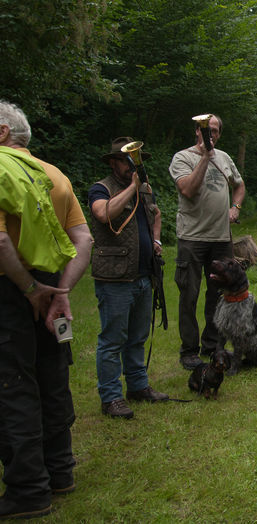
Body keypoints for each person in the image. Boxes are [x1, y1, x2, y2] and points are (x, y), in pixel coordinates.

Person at [0, 100, 92, 519]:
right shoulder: (53, 175)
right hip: (52, 283)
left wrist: (31, 288)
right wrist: (61, 290)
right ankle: (60, 472)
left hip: (11, 289)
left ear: (3, 132)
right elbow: (83, 239)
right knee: (52, 377)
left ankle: (28, 490)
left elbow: (1, 244)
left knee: (14, 383)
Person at [88, 137, 170, 419]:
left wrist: (156, 240)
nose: (133, 165)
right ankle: (110, 397)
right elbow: (103, 215)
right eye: (127, 160)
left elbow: (155, 215)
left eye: (136, 160)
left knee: (137, 337)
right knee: (112, 339)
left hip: (144, 275)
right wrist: (133, 188)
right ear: (113, 162)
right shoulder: (101, 189)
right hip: (115, 277)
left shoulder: (145, 191)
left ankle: (137, 386)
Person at [169, 113, 245, 370]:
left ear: (219, 134)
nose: (209, 134)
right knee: (188, 295)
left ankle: (212, 346)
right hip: (192, 237)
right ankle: (189, 350)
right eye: (204, 129)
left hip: (221, 237)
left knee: (219, 296)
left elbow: (240, 185)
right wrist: (205, 157)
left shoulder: (225, 158)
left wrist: (235, 206)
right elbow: (188, 190)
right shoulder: (182, 158)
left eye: (214, 130)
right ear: (197, 132)